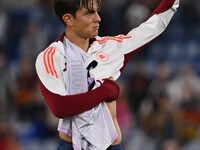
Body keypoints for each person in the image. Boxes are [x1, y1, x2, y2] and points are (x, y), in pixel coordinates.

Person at [35, 0, 180, 149]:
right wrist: (105, 92)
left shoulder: (111, 47)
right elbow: (60, 107)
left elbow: (150, 29)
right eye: (89, 13)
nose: (98, 18)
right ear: (68, 19)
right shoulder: (51, 57)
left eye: (97, 11)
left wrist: (171, 2)